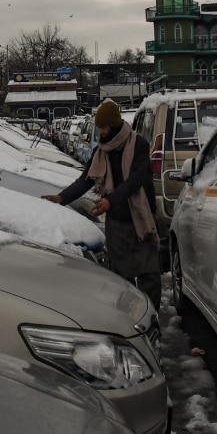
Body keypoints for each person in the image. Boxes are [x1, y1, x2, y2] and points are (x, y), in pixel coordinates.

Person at [43, 99, 163, 309]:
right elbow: (85, 180)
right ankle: (128, 324)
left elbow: (136, 180)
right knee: (121, 279)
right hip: (117, 223)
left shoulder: (139, 144)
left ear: (115, 125)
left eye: (104, 127)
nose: (101, 132)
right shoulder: (102, 150)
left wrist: (111, 200)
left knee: (149, 276)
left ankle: (151, 320)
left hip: (141, 220)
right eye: (99, 128)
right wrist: (62, 198)